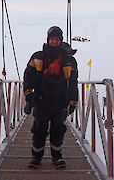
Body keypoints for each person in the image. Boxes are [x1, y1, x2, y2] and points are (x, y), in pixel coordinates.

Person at [23, 26, 78, 169]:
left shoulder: (69, 61)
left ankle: (57, 157)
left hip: (60, 101)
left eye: (57, 39)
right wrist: (28, 94)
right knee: (39, 129)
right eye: (52, 39)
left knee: (58, 130)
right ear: (48, 39)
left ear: (60, 41)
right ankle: (36, 157)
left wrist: (73, 101)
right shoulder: (37, 57)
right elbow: (27, 76)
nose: (54, 41)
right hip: (41, 100)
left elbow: (73, 83)